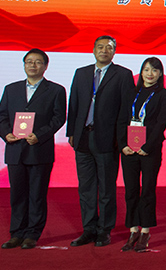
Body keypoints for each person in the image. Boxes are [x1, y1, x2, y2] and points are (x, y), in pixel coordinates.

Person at [66, 35, 135, 247]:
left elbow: (126, 109)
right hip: (82, 137)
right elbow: (74, 103)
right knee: (86, 188)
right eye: (100, 46)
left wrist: (121, 139)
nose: (104, 50)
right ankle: (88, 229)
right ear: (93, 49)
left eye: (109, 47)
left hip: (108, 139)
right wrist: (72, 132)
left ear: (114, 51)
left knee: (106, 188)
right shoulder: (81, 73)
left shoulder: (123, 74)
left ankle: (104, 230)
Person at [0, 49, 66, 250]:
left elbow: (58, 118)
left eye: (37, 62)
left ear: (45, 66)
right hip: (15, 150)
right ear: (24, 65)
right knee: (17, 195)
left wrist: (39, 135)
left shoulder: (56, 90)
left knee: (37, 194)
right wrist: (6, 134)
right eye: (29, 61)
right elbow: (2, 116)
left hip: (39, 149)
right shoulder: (11, 89)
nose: (33, 65)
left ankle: (32, 233)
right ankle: (16, 233)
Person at [117, 57, 166, 252]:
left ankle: (145, 231)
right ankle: (133, 230)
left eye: (154, 70)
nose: (150, 73)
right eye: (147, 69)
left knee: (147, 190)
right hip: (129, 150)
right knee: (131, 190)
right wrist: (122, 145)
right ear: (141, 72)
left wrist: (147, 146)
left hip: (150, 150)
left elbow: (161, 124)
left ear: (160, 74)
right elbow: (121, 120)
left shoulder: (165, 95)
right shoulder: (130, 93)